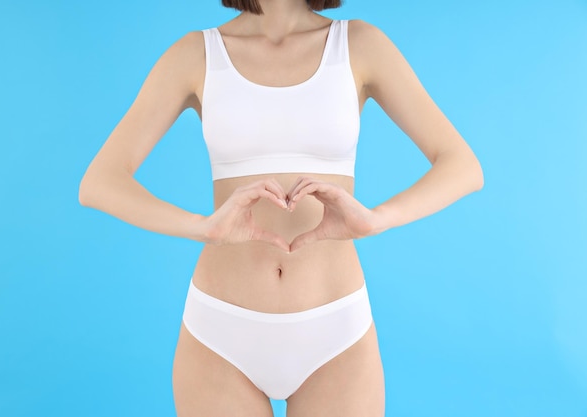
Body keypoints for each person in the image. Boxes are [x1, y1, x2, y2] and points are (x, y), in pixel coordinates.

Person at [78, 0, 484, 415]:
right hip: (220, 334)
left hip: (336, 334)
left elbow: (462, 165)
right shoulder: (196, 54)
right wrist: (204, 227)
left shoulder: (359, 44)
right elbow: (100, 182)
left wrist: (378, 219)